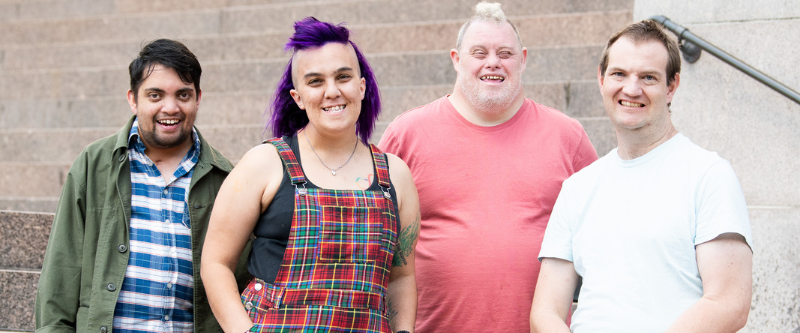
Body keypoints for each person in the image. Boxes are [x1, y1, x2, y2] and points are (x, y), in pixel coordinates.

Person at [378, 2, 598, 332]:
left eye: (505, 53)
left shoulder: (568, 136)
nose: (492, 62)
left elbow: (603, 234)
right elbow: (373, 235)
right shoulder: (405, 134)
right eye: (479, 52)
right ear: (456, 59)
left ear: (522, 59)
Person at [531, 20, 754, 332]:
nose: (631, 89)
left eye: (648, 77)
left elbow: (729, 302)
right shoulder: (577, 188)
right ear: (601, 78)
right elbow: (545, 311)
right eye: (619, 74)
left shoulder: (708, 175)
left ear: (671, 86)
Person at [201, 17, 420, 333]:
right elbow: (216, 263)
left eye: (343, 77)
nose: (332, 91)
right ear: (298, 97)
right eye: (315, 81)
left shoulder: (395, 176)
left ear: (361, 87)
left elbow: (402, 277)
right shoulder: (265, 163)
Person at [35, 39, 250, 332]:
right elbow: (60, 278)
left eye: (183, 95)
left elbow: (239, 285)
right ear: (133, 99)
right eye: (155, 95)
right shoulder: (94, 164)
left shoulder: (225, 179)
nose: (170, 108)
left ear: (198, 98)